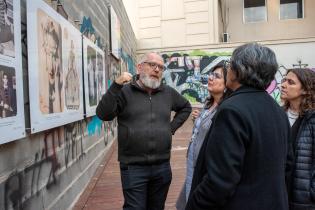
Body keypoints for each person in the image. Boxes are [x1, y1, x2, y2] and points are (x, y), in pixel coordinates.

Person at [185, 43, 290, 210]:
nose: (228, 69)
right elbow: (287, 166)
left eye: (229, 64)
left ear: (238, 70)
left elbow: (220, 181)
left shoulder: (231, 109)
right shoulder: (277, 110)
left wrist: (194, 205)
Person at [96, 52, 192, 210]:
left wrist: (171, 128)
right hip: (133, 167)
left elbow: (185, 107)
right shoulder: (124, 92)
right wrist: (116, 85)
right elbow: (103, 114)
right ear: (139, 67)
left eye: (161, 67)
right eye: (152, 65)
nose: (157, 70)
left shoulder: (167, 92)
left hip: (162, 166)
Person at [176, 62, 231, 210]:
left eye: (217, 76)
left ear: (227, 84)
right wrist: (198, 120)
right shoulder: (208, 104)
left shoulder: (225, 109)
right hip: (193, 161)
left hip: (206, 167)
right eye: (211, 75)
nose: (211, 78)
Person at [280, 68, 315, 210]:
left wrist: (311, 191)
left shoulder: (312, 119)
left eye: (291, 82)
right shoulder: (278, 115)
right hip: (279, 194)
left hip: (303, 200)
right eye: (284, 80)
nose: (283, 85)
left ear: (305, 90)